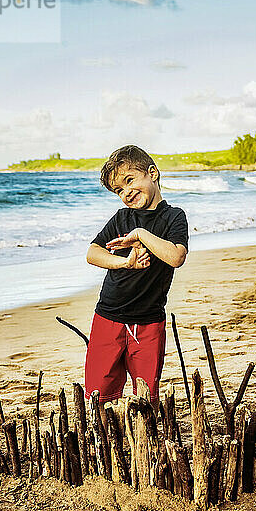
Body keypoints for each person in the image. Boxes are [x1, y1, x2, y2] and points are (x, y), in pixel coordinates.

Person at [85, 144, 188, 426]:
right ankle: (104, 444)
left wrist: (141, 234)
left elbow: (176, 256)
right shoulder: (121, 218)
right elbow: (92, 253)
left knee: (146, 395)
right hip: (108, 315)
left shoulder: (173, 217)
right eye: (118, 190)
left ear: (152, 173)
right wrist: (124, 263)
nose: (126, 192)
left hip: (148, 321)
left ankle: (146, 447)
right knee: (99, 393)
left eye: (129, 181)